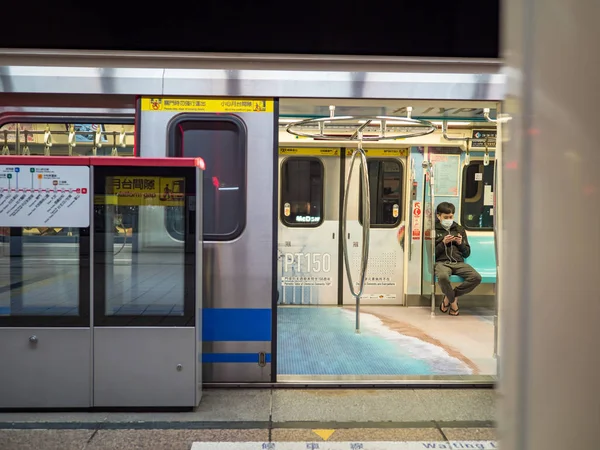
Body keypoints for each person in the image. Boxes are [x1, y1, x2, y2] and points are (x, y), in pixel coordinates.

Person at [434, 202, 482, 316]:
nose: (448, 219)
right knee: (443, 277)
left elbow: (466, 253)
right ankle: (454, 304)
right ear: (438, 216)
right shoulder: (433, 230)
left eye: (450, 217)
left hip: (458, 262)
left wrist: (460, 244)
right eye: (445, 217)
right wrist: (443, 243)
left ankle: (449, 298)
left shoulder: (459, 229)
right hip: (442, 263)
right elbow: (432, 254)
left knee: (476, 277)